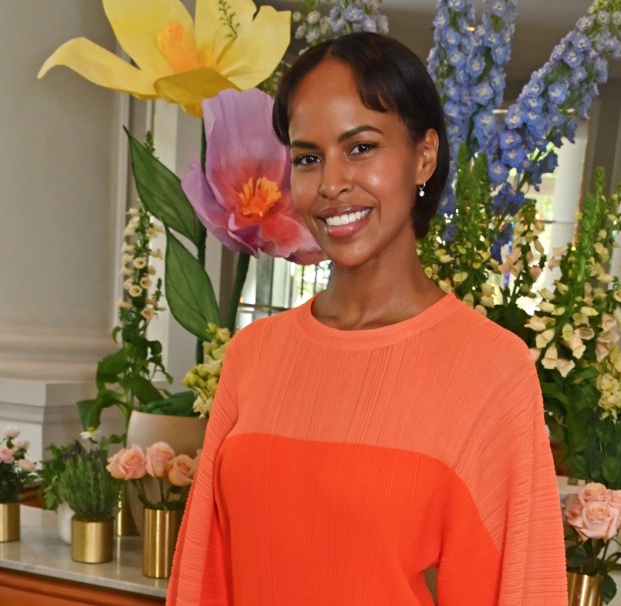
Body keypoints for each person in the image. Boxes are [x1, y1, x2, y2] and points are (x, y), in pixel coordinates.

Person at [167, 32, 567, 605]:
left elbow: (519, 587)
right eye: (308, 157)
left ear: (424, 155)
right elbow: (205, 575)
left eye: (360, 148)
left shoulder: (489, 370)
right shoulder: (253, 356)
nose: (331, 184)